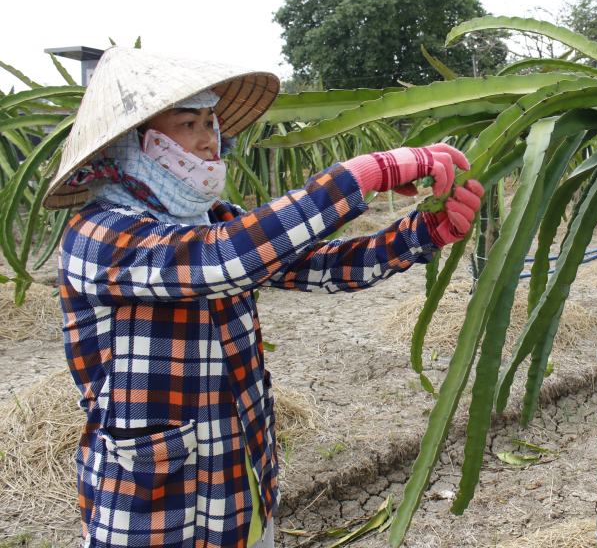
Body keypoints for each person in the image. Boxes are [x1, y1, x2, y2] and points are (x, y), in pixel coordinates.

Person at [43, 47, 484, 548]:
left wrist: (420, 233)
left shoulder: (211, 221)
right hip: (152, 512)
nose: (212, 142)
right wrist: (363, 175)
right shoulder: (98, 235)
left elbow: (315, 265)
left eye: (212, 122)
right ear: (134, 142)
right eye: (190, 124)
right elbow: (221, 261)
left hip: (240, 482)